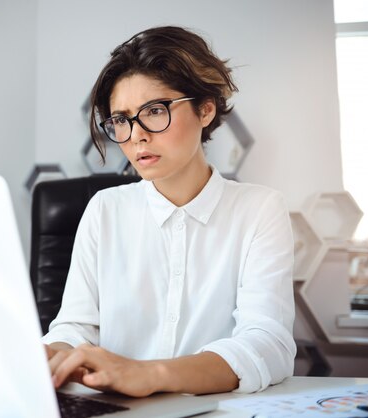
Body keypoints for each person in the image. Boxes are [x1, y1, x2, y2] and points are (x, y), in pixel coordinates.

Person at [41, 26, 296, 397]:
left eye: (155, 111)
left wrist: (151, 374)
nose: (137, 136)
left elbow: (267, 344)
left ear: (205, 109)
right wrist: (53, 354)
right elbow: (75, 329)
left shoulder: (259, 209)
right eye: (122, 120)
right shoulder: (105, 210)